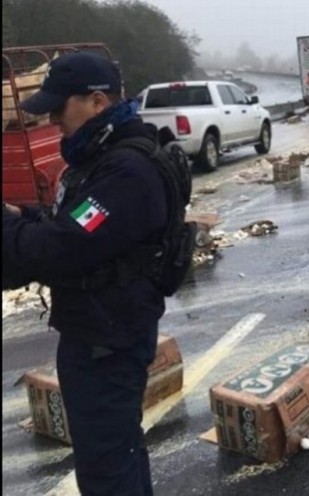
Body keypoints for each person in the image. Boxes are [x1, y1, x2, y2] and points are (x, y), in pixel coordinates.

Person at [2, 52, 168, 495]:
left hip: (107, 342)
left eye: (60, 107)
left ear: (97, 102)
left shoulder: (125, 171)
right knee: (119, 453)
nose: (53, 118)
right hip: (100, 331)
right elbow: (73, 223)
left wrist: (7, 228)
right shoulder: (103, 157)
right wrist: (24, 214)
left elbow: (67, 246)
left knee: (106, 469)